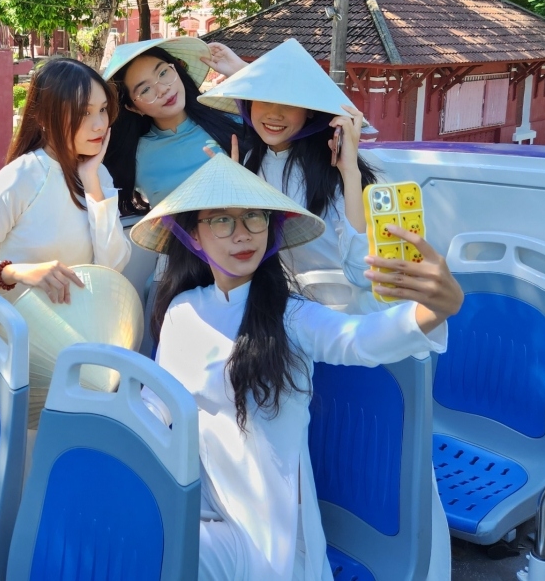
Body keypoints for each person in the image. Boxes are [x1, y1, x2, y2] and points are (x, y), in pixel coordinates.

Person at [131, 154, 463, 581]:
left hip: (268, 536)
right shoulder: (181, 312)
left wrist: (433, 311)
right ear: (193, 235)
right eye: (221, 220)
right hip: (200, 506)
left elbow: (358, 340)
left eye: (254, 216)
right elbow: (155, 411)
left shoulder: (291, 317)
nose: (242, 233)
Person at [199, 38, 379, 309]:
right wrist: (232, 189)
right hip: (281, 305)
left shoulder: (335, 168)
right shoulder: (249, 160)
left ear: (309, 111)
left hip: (348, 314)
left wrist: (350, 172)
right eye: (263, 101)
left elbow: (362, 273)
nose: (275, 114)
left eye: (289, 104)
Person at [0, 57, 130, 303]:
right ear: (44, 117)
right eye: (84, 112)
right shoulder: (20, 178)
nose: (99, 125)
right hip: (14, 335)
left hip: (78, 333)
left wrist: (91, 181)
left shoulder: (97, 174)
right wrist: (15, 272)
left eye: (103, 109)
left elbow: (113, 267)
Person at [101, 37, 248, 215]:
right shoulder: (133, 157)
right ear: (132, 107)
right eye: (145, 90)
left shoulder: (235, 122)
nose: (163, 89)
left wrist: (243, 71)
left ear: (177, 69)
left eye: (163, 73)